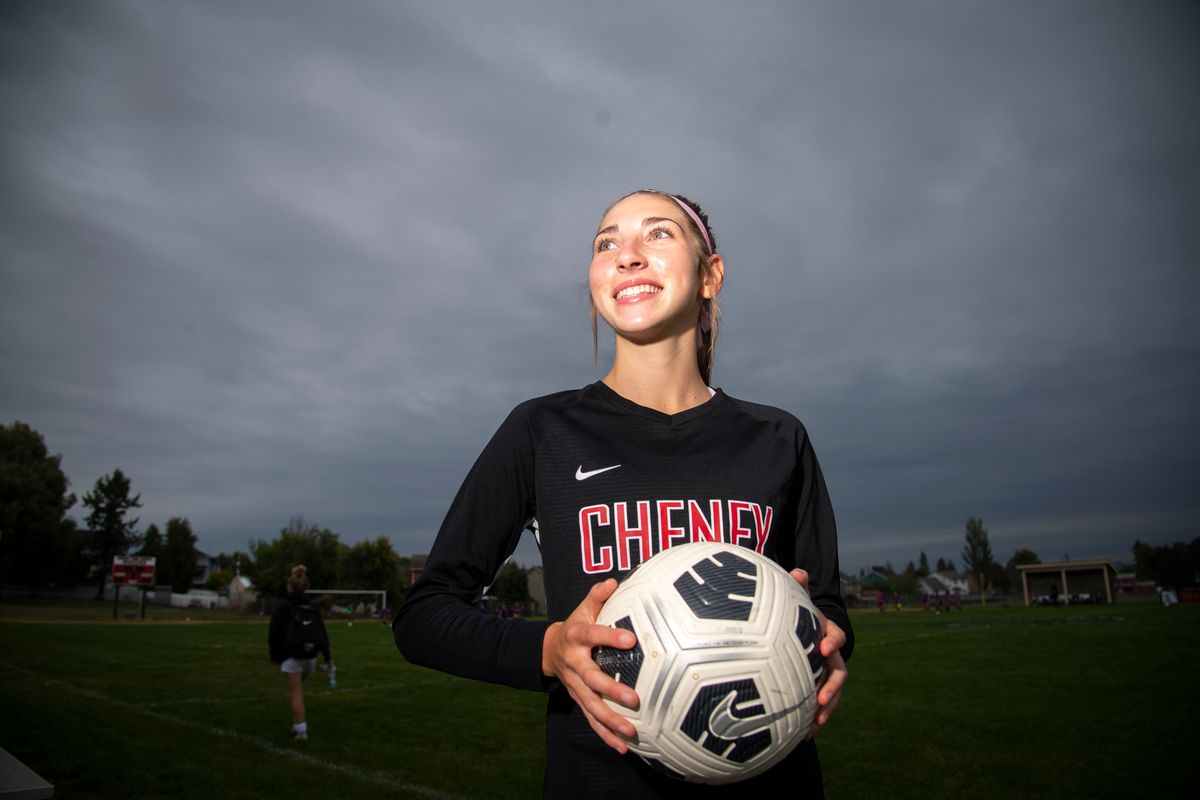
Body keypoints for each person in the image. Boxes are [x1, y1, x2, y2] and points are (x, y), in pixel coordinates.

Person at [393, 190, 853, 798]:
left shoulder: (776, 438)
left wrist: (829, 646)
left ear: (711, 276)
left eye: (657, 235)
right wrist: (550, 649)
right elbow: (425, 615)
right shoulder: (543, 431)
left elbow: (825, 604)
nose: (627, 255)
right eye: (606, 243)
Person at [268, 564, 333, 741]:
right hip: (310, 657)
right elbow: (321, 633)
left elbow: (274, 632)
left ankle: (301, 729)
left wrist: (274, 655)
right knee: (297, 690)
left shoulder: (283, 606)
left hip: (292, 655)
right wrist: (328, 657)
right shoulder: (312, 607)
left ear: (290, 585)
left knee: (295, 692)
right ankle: (296, 720)